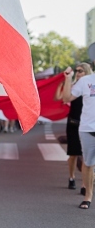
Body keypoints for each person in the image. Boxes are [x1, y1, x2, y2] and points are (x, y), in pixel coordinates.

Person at [62, 62, 95, 209]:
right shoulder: (85, 81)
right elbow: (66, 98)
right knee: (88, 163)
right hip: (87, 128)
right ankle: (88, 196)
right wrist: (68, 79)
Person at [56, 63, 92, 193]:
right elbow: (63, 99)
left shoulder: (90, 86)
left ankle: (84, 184)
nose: (78, 73)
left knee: (85, 156)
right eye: (77, 71)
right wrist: (65, 82)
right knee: (73, 154)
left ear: (87, 72)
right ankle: (71, 177)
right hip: (73, 123)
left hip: (87, 125)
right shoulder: (74, 87)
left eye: (81, 71)